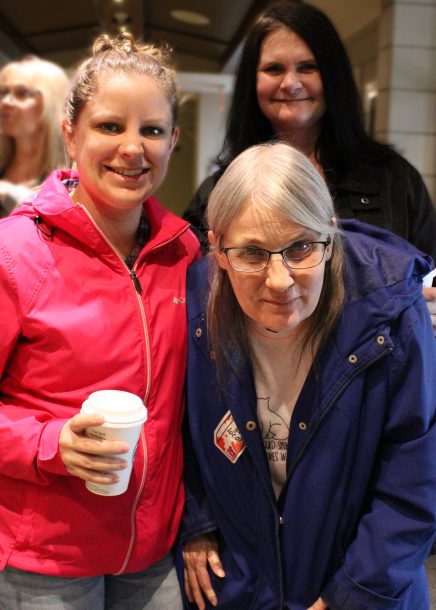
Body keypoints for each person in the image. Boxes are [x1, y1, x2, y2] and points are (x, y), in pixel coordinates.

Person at [181, 142, 436, 610]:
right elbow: (180, 431)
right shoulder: (197, 302)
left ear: (330, 234)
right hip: (243, 585)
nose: (279, 281)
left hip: (365, 589)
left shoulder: (391, 313)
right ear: (216, 246)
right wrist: (195, 524)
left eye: (301, 247)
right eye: (252, 253)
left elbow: (417, 477)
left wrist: (348, 597)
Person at [0, 32, 199, 609]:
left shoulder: (184, 254)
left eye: (152, 130)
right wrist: (48, 443)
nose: (133, 148)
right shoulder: (16, 253)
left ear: (174, 141)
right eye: (110, 126)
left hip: (155, 549)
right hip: (46, 558)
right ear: (70, 133)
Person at [182, 1, 436, 331]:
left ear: (332, 76)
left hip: (378, 374)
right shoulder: (220, 189)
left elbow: (430, 270)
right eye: (274, 69)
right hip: (261, 373)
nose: (290, 83)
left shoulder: (393, 178)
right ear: (251, 82)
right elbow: (196, 293)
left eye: (307, 67)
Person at [0, 54, 69, 216]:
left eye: (22, 93)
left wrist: (11, 195)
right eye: (3, 92)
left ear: (51, 103)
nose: (6, 102)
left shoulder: (70, 179)